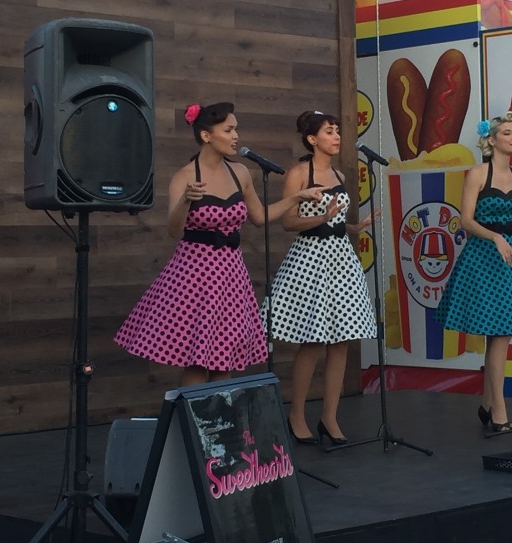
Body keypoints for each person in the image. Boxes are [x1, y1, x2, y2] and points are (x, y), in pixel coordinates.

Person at [114, 102, 324, 386]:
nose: (236, 136)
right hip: (195, 277)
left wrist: (297, 198)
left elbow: (259, 217)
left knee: (224, 360)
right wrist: (186, 200)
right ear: (206, 136)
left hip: (231, 276)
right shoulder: (185, 176)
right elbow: (174, 230)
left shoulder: (240, 172)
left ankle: (221, 415)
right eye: (228, 130)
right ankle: (193, 415)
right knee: (197, 363)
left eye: (236, 129)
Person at [435, 112, 512, 432]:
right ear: (491, 141)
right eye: (507, 133)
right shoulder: (478, 174)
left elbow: (511, 218)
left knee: (501, 334)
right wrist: (495, 238)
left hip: (510, 256)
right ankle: (499, 412)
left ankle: (487, 405)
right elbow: (466, 220)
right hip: (483, 257)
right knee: (500, 333)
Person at [264, 110, 377, 447]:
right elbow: (288, 222)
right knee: (312, 340)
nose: (336, 136)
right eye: (329, 131)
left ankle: (330, 417)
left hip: (340, 258)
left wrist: (355, 226)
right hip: (311, 258)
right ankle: (297, 415)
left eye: (337, 130)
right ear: (312, 139)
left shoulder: (340, 173)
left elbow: (335, 222)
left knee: (341, 339)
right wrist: (321, 219)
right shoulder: (299, 173)